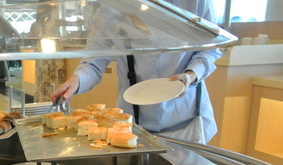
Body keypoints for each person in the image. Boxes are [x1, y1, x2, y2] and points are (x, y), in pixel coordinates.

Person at [51, 0, 222, 144]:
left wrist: (191, 74)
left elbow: (211, 48)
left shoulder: (197, 2)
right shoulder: (110, 7)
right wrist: (77, 80)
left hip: (187, 122)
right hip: (132, 124)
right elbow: (94, 60)